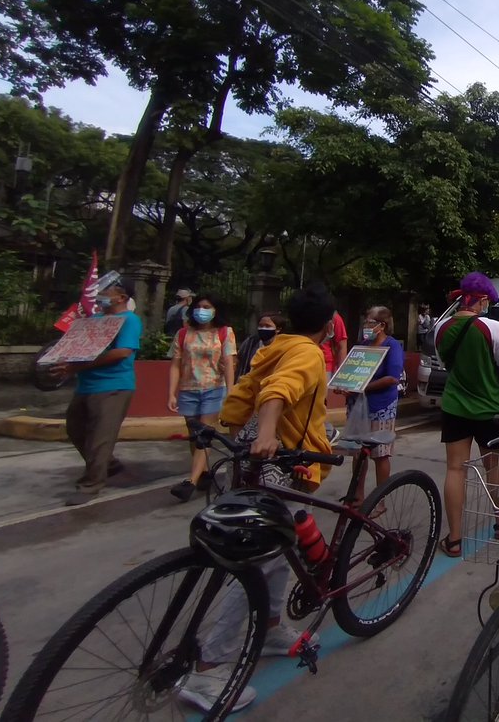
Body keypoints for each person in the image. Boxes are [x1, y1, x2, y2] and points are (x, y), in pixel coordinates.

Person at [176, 284, 337, 713]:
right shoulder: (306, 352)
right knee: (258, 559)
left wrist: (237, 430)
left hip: (249, 460)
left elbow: (243, 393)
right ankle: (210, 668)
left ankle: (268, 625)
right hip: (280, 464)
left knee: (282, 546)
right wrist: (267, 435)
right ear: (327, 326)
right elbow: (276, 392)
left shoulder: (274, 345)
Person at [435, 272, 499, 558]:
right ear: (482, 301)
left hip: (455, 406)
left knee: (455, 469)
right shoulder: (491, 327)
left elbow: (446, 362)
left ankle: (455, 539)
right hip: (489, 408)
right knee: (494, 467)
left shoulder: (441, 328)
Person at [51, 279, 142, 506]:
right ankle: (107, 465)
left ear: (121, 297)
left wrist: (78, 367)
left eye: (106, 291)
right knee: (75, 429)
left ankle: (90, 484)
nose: (100, 294)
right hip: (86, 385)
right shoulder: (93, 320)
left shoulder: (129, 320)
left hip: (113, 386)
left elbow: (122, 352)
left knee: (100, 438)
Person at [168, 294, 237, 502]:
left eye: (207, 306)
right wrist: (171, 392)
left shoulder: (225, 333)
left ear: (215, 310)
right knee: (194, 434)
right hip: (188, 389)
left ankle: (191, 481)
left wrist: (231, 391)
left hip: (214, 388)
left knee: (204, 434)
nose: (201, 310)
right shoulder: (183, 334)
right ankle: (204, 472)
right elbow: (175, 365)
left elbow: (229, 362)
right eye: (198, 306)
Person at [349, 306, 404, 502]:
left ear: (382, 325)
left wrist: (364, 386)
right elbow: (351, 371)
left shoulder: (392, 346)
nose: (366, 326)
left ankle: (379, 501)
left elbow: (393, 378)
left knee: (380, 454)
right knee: (358, 453)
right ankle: (357, 496)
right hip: (358, 406)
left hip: (381, 406)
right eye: (365, 322)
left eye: (370, 323)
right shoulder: (363, 345)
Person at [234, 314, 284, 381]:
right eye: (261, 325)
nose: (263, 328)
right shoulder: (251, 342)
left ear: (278, 329)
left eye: (267, 326)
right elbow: (239, 360)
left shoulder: (283, 347)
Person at [320, 310, 348, 375]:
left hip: (326, 367)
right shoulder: (304, 312)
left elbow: (342, 346)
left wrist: (340, 373)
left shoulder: (334, 317)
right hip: (305, 362)